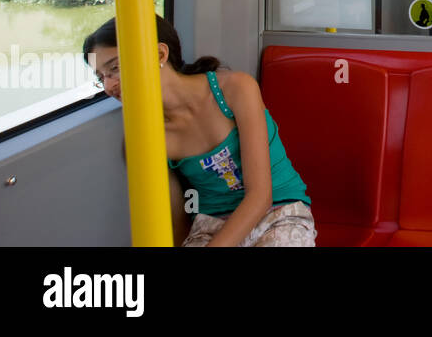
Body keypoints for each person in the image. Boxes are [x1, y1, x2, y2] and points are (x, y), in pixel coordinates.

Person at [83, 15, 314, 247]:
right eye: (101, 77)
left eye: (115, 68)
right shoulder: (149, 137)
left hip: (279, 211)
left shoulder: (235, 90)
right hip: (210, 224)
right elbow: (176, 218)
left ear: (159, 55)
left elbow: (260, 196)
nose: (109, 86)